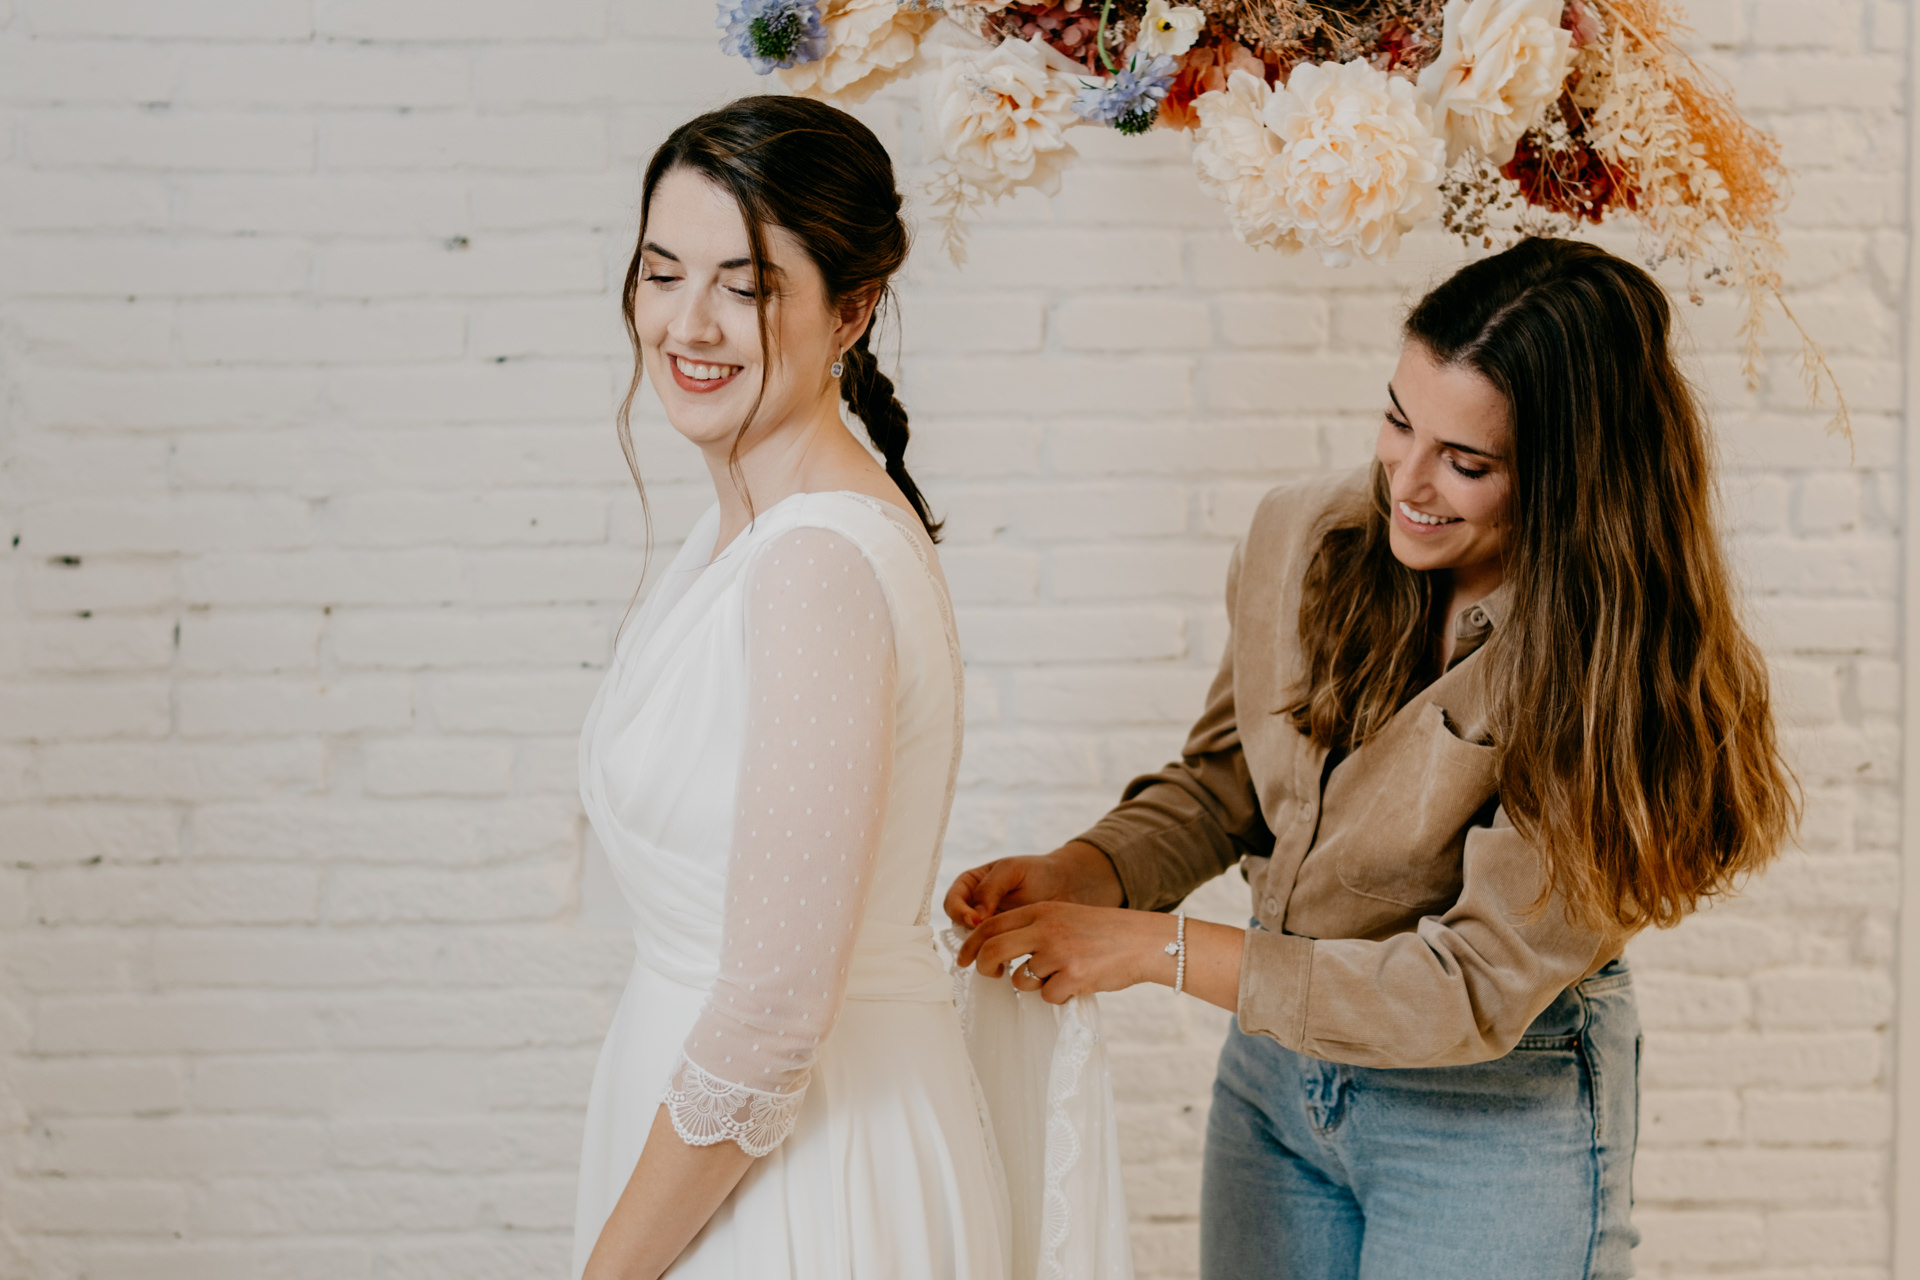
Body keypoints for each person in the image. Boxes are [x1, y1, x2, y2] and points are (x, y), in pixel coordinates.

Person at [948, 237, 1800, 1279]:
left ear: (1574, 477)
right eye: (1399, 420)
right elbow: (1231, 778)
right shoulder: (1300, 531)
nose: (1410, 479)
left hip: (1490, 1109)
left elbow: (1468, 985)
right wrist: (1091, 870)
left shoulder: (1612, 670)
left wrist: (1152, 945)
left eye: (1467, 462)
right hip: (1273, 1086)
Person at [571, 95, 1009, 1280]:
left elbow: (767, 1017)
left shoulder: (815, 562)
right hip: (705, 1152)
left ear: (851, 308)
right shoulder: (753, 531)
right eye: (663, 272)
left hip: (804, 1175)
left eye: (748, 285)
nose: (688, 323)